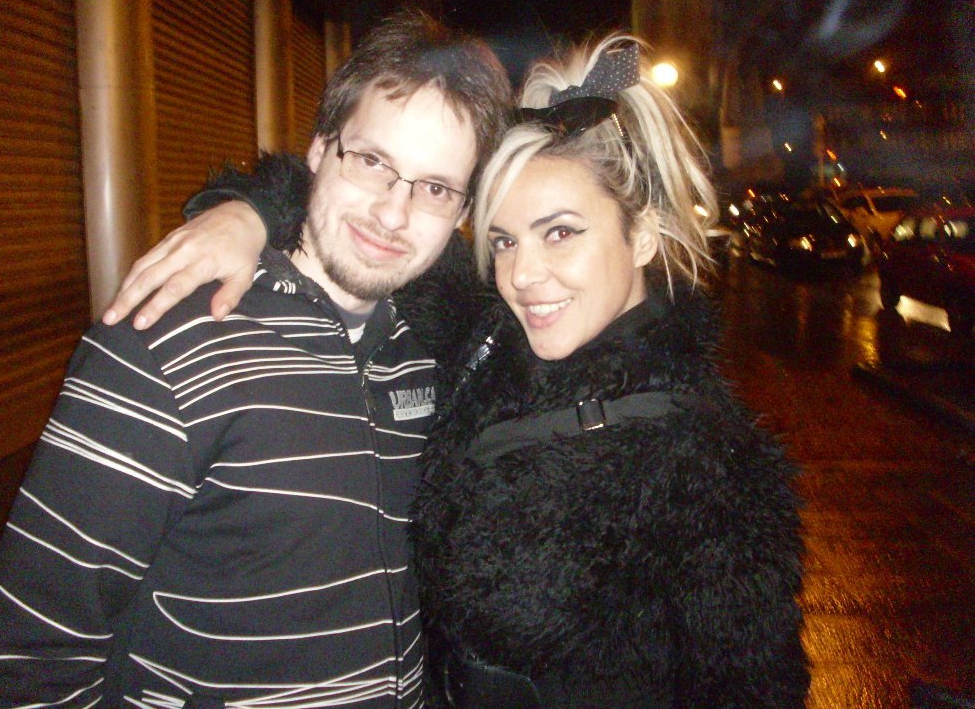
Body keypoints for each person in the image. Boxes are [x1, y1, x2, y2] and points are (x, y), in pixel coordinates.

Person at [91, 34, 810, 708]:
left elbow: (755, 690)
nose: (523, 275)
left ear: (643, 235)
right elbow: (354, 205)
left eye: (561, 232)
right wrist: (242, 214)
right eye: (504, 240)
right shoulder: (486, 339)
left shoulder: (713, 464)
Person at [0, 11, 511, 707]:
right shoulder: (166, 341)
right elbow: (33, 655)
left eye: (434, 188)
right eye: (372, 161)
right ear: (318, 149)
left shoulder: (426, 359)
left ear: (462, 211)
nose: (393, 212)